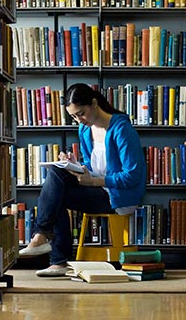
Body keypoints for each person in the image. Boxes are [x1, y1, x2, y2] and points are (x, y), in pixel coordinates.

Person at [19, 83, 147, 276]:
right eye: (73, 116)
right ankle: (48, 246)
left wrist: (94, 182)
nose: (79, 119)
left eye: (81, 113)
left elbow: (133, 176)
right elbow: (91, 165)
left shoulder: (121, 128)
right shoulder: (85, 130)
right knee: (56, 174)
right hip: (96, 189)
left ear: (94, 103)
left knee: (57, 194)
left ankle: (48, 246)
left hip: (119, 197)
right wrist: (75, 165)